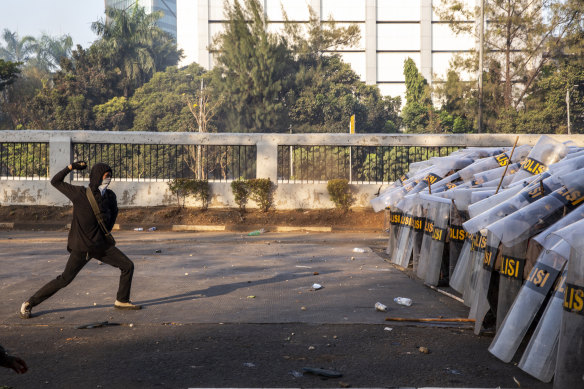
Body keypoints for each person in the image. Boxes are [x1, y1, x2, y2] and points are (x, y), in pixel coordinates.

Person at [19, 161, 141, 319]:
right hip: (83, 247)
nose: (108, 179)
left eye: (110, 176)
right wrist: (71, 167)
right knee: (64, 279)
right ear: (98, 176)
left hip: (101, 246)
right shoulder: (80, 194)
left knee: (127, 266)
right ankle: (29, 303)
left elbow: (112, 217)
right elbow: (55, 181)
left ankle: (121, 300)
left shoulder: (110, 196)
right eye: (106, 175)